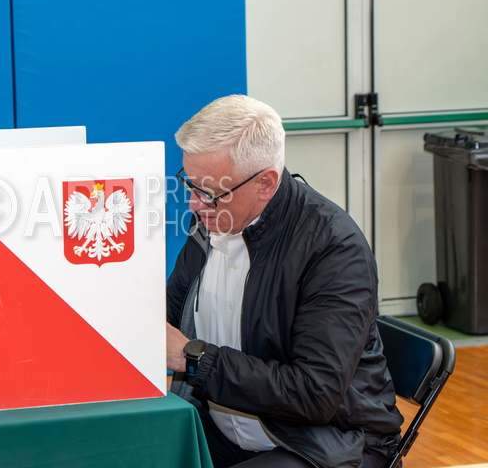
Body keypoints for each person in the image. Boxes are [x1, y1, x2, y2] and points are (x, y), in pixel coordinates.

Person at [166, 95, 403, 468]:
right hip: (225, 427)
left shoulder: (333, 249)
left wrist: (191, 358)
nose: (195, 205)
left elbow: (314, 393)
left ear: (265, 183)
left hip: (326, 443)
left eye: (209, 193)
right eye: (190, 185)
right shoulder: (213, 219)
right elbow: (171, 313)